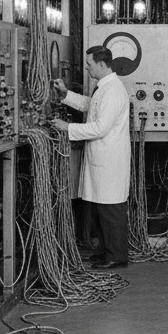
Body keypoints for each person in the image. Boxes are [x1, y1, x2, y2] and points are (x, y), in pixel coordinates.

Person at [51, 46, 131, 268]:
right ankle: (104, 252)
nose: (87, 68)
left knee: (110, 210)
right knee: (101, 209)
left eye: (89, 64)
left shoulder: (113, 90)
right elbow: (91, 106)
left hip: (109, 161)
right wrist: (65, 95)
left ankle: (116, 256)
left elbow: (100, 127)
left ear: (102, 64)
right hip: (102, 159)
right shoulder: (104, 88)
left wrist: (68, 127)